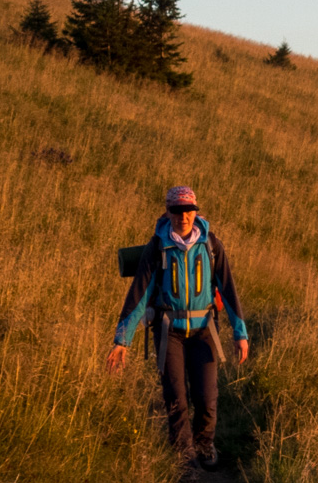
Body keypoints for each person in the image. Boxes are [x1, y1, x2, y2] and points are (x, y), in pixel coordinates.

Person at [106, 186, 251, 468]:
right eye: (176, 211)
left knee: (207, 398)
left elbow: (228, 290)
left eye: (188, 210)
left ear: (196, 212)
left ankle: (204, 445)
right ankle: (184, 457)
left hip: (204, 331)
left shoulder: (211, 245)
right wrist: (122, 340)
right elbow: (140, 294)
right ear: (167, 212)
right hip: (168, 331)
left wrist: (240, 333)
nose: (183, 216)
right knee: (176, 398)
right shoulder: (157, 246)